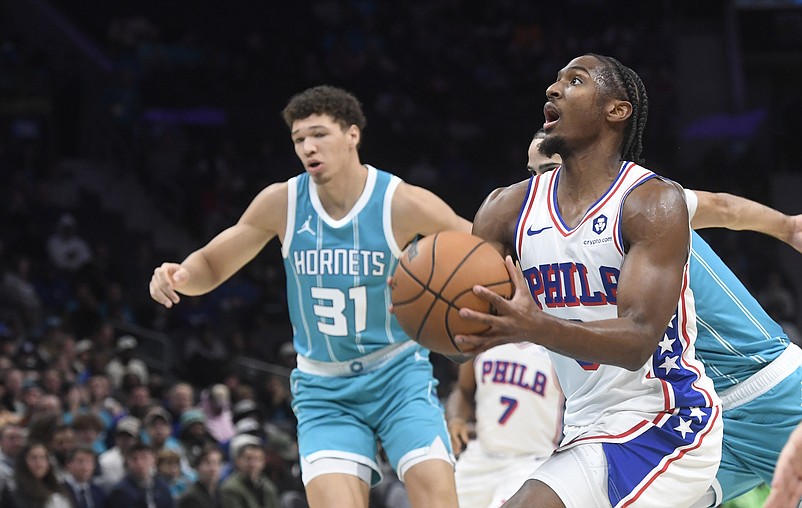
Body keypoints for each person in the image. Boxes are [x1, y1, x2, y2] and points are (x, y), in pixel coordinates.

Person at [149, 85, 469, 508]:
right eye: (299, 139)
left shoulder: (400, 201)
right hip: (324, 386)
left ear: (352, 135)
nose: (307, 147)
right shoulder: (281, 202)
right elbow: (212, 264)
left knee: (438, 498)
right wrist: (180, 274)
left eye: (319, 134)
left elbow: (478, 248)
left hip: (397, 373)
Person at [455, 54, 724, 507]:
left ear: (616, 111)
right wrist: (435, 318)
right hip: (582, 426)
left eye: (574, 81)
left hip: (665, 420)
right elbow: (458, 333)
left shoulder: (651, 202)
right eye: (555, 81)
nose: (553, 89)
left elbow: (638, 339)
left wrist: (534, 327)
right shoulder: (504, 209)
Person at [527, 125, 802, 506]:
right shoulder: (550, 239)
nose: (539, 185)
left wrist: (788, 227)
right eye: (532, 174)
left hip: (770, 392)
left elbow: (724, 208)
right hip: (700, 417)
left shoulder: (644, 210)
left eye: (549, 170)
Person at [445, 341, 564, 508]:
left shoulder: (557, 348)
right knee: (437, 498)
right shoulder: (483, 339)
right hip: (481, 456)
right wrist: (456, 418)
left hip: (531, 461)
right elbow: (463, 390)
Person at [0, 441, 72, 508]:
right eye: (33, 458)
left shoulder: (56, 486)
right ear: (24, 461)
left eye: (42, 457)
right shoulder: (14, 489)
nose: (39, 462)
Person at [107, 441, 174, 508]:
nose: (139, 463)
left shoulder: (161, 485)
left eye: (144, 457)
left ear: (154, 460)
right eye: (134, 459)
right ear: (127, 462)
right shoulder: (121, 491)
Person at [219, 440, 279, 508]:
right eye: (248, 459)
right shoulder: (230, 489)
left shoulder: (268, 487)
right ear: (238, 461)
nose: (252, 464)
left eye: (257, 459)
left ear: (263, 463)